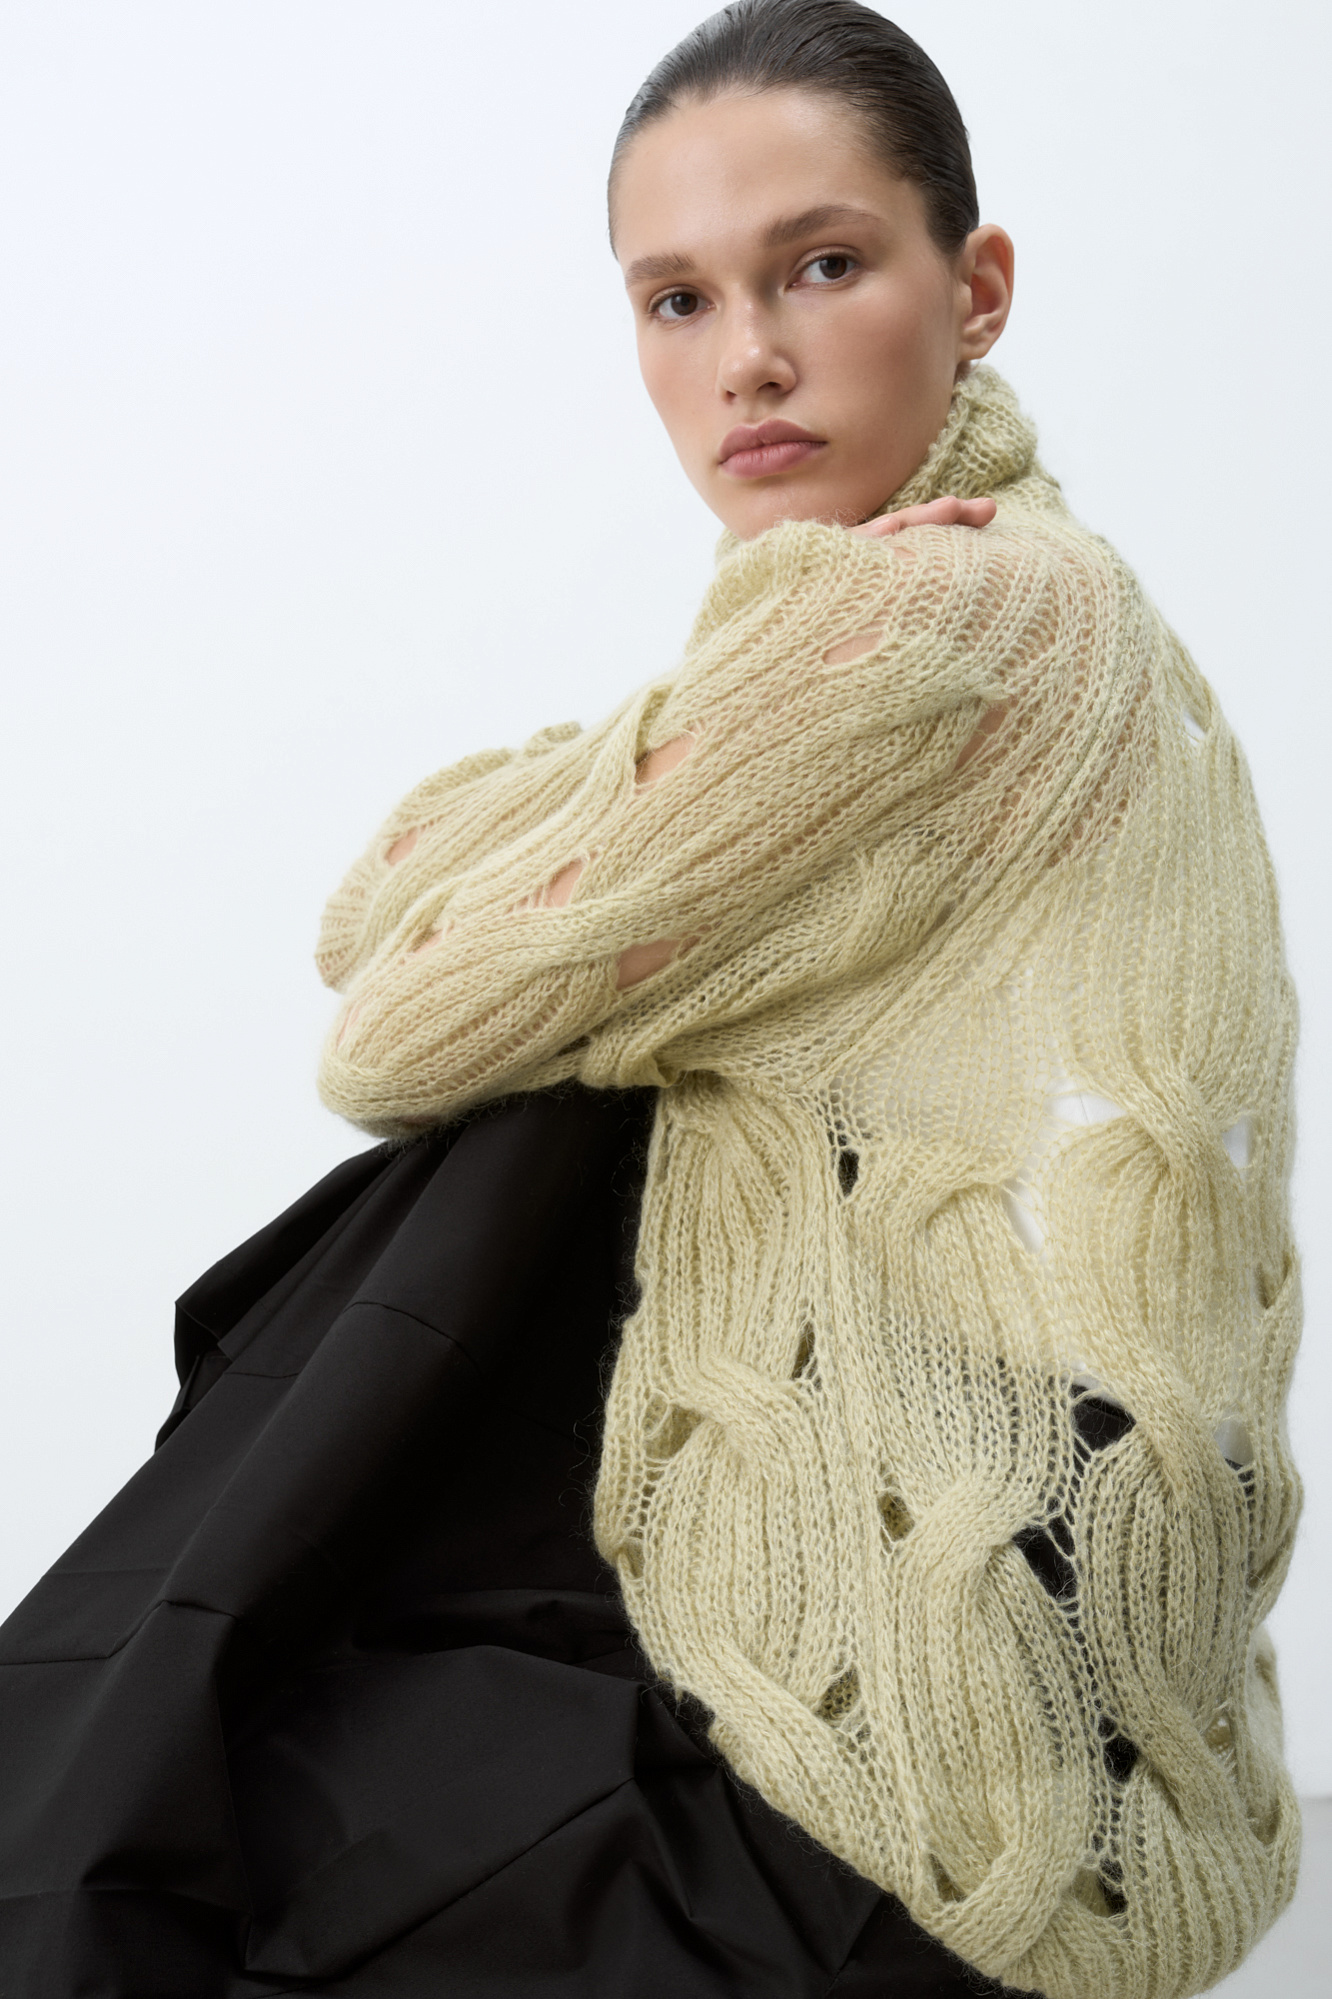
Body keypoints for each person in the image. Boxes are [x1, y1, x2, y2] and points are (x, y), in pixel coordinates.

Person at [0, 5, 1302, 1996]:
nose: (746, 357)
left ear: (977, 290)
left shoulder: (935, 612)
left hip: (937, 1740)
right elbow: (387, 899)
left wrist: (584, 822)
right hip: (1069, 1708)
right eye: (677, 300)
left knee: (160, 1804)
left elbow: (395, 1022)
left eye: (823, 266)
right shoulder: (1020, 593)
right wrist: (629, 780)